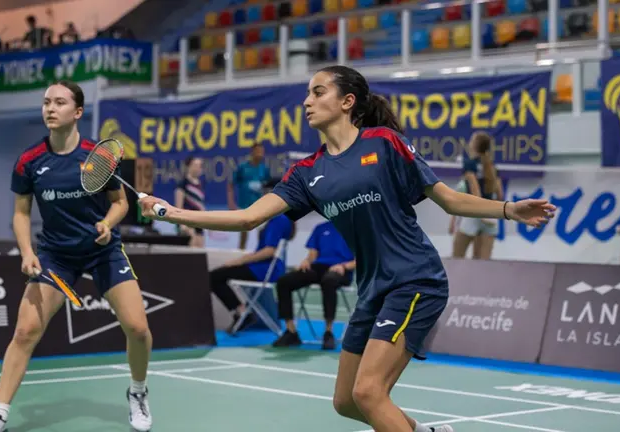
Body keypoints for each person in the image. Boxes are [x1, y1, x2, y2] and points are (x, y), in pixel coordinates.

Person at [138, 65, 554, 432]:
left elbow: (448, 199)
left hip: (415, 279)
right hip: (372, 290)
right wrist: (172, 212)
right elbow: (248, 217)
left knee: (369, 392)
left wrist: (509, 209)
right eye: (307, 93)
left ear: (347, 101)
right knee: (346, 402)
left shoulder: (384, 143)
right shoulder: (307, 172)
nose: (307, 101)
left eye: (318, 92)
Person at [0, 80, 153, 432]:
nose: (50, 109)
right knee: (25, 331)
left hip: (103, 251)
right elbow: (21, 213)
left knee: (138, 328)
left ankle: (138, 391)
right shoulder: (29, 161)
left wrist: (107, 223)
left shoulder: (97, 156)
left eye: (59, 102)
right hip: (56, 255)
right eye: (46, 102)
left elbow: (120, 203)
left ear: (78, 111)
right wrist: (27, 252)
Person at [209, 178, 295, 333]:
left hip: (265, 269)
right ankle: (243, 312)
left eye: (265, 192)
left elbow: (269, 251)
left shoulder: (279, 219)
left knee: (215, 276)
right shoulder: (279, 217)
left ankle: (242, 313)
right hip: (262, 267)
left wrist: (240, 261)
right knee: (218, 274)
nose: (262, 196)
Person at [272, 220, 355, 350]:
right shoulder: (321, 228)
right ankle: (291, 331)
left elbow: (361, 258)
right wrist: (306, 261)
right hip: (319, 267)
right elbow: (312, 254)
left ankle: (328, 333)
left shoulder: (355, 229)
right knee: (284, 281)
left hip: (341, 270)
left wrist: (344, 266)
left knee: (329, 281)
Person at [451, 131, 503, 260]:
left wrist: (480, 212)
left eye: (471, 140)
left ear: (474, 145)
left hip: (475, 213)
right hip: (490, 215)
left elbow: (475, 192)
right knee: (483, 264)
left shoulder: (469, 164)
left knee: (456, 257)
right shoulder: (492, 166)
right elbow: (500, 195)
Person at [227, 143, 271, 249]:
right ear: (252, 152)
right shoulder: (242, 167)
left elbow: (268, 188)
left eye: (262, 152)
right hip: (244, 206)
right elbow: (231, 184)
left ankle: (260, 254)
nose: (260, 154)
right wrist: (231, 203)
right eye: (258, 151)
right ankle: (241, 253)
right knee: (243, 233)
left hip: (259, 207)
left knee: (262, 233)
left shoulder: (264, 169)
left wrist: (267, 204)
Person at [175, 156, 206, 247]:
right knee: (192, 248)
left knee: (200, 249)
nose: (198, 168)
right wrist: (182, 225)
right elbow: (178, 207)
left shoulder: (200, 184)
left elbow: (200, 204)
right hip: (187, 222)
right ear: (188, 166)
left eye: (200, 166)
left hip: (199, 222)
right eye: (195, 165)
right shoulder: (183, 184)